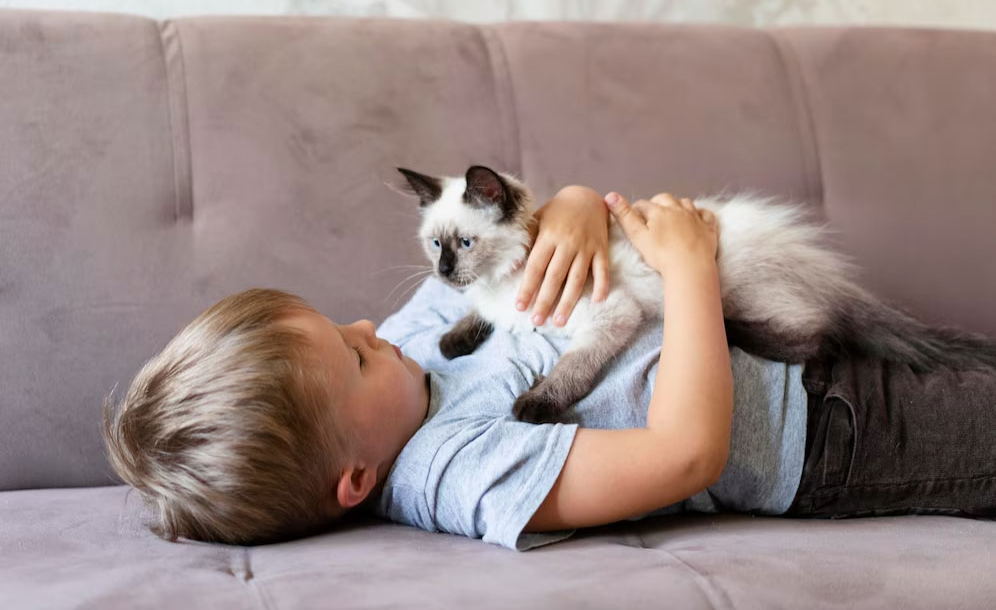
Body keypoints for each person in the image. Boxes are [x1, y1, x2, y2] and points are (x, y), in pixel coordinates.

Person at [103, 186, 996, 550]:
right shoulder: (455, 471)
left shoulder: (410, 358)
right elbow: (688, 453)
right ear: (356, 479)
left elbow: (512, 228)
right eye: (353, 350)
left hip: (780, 334)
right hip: (829, 439)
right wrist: (689, 268)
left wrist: (568, 204)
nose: (372, 323)